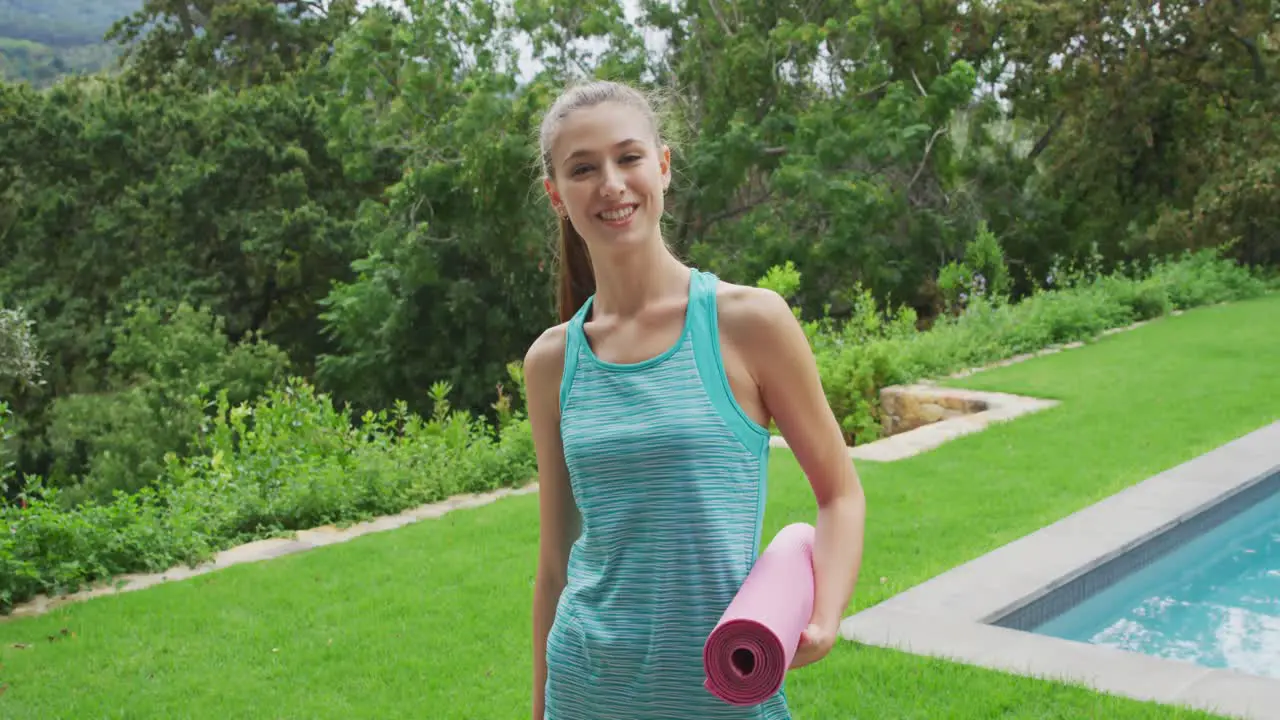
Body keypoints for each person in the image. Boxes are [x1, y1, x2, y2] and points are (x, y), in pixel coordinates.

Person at [525, 79, 867, 720]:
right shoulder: (551, 361)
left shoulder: (748, 323)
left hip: (726, 693)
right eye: (583, 168)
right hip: (587, 688)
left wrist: (823, 618)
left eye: (628, 157)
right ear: (556, 195)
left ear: (663, 165)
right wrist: (542, 710)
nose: (611, 183)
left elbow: (839, 492)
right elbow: (554, 562)